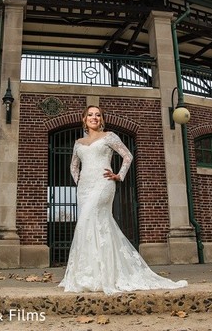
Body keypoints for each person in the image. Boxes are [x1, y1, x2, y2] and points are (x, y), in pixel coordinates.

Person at [58, 105, 188, 295]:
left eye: (98, 115)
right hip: (84, 189)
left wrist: (119, 175)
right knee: (90, 224)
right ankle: (88, 274)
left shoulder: (109, 136)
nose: (94, 117)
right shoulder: (78, 143)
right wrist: (79, 181)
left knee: (89, 219)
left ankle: (106, 275)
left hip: (103, 184)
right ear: (84, 119)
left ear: (102, 119)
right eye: (90, 115)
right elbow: (73, 166)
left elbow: (127, 156)